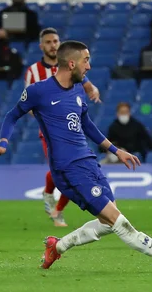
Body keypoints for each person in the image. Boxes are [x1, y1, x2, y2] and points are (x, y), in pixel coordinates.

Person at [0, 41, 152, 272]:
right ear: (72, 63)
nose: (89, 67)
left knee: (107, 224)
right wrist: (3, 144)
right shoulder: (38, 91)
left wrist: (116, 150)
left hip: (89, 162)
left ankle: (58, 246)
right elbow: (12, 115)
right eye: (86, 60)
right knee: (118, 221)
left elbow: (87, 125)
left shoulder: (77, 90)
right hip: (68, 169)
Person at [25, 28, 102, 227]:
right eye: (48, 42)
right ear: (42, 46)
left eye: (55, 41)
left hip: (72, 129)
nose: (53, 45)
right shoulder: (34, 72)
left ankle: (57, 209)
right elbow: (28, 104)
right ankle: (50, 194)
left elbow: (86, 84)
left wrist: (93, 90)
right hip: (49, 132)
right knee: (63, 169)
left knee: (70, 170)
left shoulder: (71, 66)